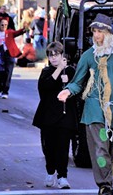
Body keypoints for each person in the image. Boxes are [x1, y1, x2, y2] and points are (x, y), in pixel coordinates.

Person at [57, 13, 113, 195]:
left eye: (99, 31)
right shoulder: (88, 56)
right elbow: (78, 82)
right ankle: (105, 185)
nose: (96, 35)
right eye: (94, 31)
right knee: (100, 151)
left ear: (108, 33)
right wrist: (68, 91)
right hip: (94, 110)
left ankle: (108, 178)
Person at [33, 42, 77, 189]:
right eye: (51, 55)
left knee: (63, 147)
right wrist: (58, 69)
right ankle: (50, 171)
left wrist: (66, 77)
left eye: (56, 55)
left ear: (62, 55)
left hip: (65, 115)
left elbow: (76, 88)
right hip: (48, 116)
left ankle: (63, 177)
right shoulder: (46, 71)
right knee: (49, 147)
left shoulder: (70, 71)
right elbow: (46, 86)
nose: (53, 58)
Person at [0, 18, 26, 99]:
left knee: (8, 72)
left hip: (9, 54)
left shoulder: (10, 32)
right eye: (2, 25)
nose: (4, 26)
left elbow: (18, 32)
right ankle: (0, 89)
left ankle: (5, 91)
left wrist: (24, 29)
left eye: (6, 25)